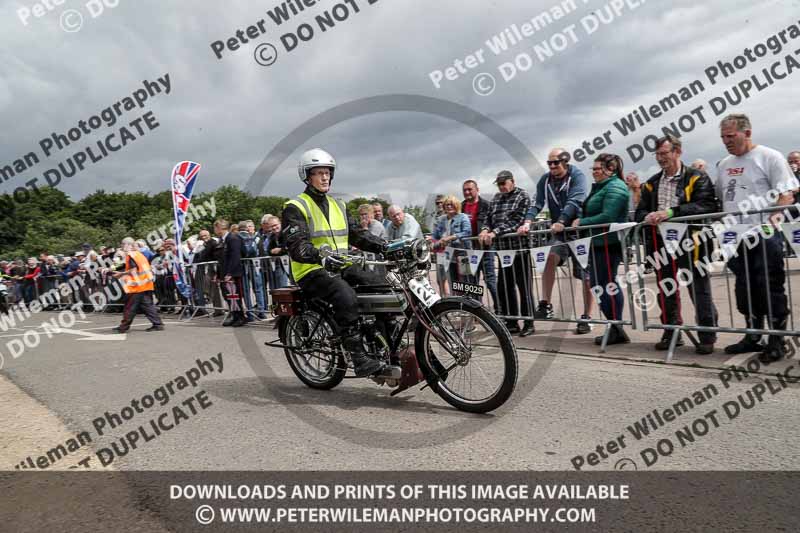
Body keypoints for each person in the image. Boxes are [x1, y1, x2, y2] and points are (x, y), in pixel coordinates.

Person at [282, 148, 389, 377]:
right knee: (345, 295)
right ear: (307, 176)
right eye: (319, 172)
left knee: (381, 285)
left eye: (328, 172)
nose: (324, 177)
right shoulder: (296, 206)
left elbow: (358, 235)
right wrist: (320, 255)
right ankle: (359, 358)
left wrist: (386, 247)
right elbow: (297, 245)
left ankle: (385, 343)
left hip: (339, 266)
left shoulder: (338, 205)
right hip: (311, 270)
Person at [716, 114, 799, 362]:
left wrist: (774, 218)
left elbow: (787, 194)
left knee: (768, 284)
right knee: (744, 286)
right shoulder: (723, 164)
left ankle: (777, 339)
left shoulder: (769, 156)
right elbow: (723, 198)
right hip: (735, 237)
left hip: (764, 234)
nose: (726, 141)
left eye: (731, 136)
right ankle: (752, 334)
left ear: (747, 133)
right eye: (723, 137)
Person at [635, 134, 720, 354]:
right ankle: (671, 331)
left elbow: (707, 205)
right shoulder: (652, 183)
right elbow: (639, 211)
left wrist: (672, 212)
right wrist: (648, 216)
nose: (661, 158)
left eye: (665, 153)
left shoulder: (697, 177)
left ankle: (707, 334)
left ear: (677, 151)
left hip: (693, 242)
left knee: (698, 288)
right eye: (657, 154)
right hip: (660, 243)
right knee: (666, 288)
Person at [518, 148, 593, 334]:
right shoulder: (546, 180)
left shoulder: (577, 176)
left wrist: (561, 220)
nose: (552, 166)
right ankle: (546, 304)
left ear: (565, 162)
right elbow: (537, 203)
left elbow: (575, 201)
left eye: (555, 163)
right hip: (559, 233)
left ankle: (586, 317)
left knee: (585, 275)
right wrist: (527, 222)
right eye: (549, 163)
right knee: (550, 257)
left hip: (578, 230)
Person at [572, 154, 631, 346]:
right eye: (593, 169)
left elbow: (608, 215)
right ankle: (615, 326)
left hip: (609, 243)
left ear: (610, 169)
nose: (594, 172)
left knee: (605, 283)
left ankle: (616, 327)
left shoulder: (616, 187)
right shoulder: (602, 187)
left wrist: (582, 222)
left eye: (597, 169)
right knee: (599, 283)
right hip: (598, 243)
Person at [479, 170, 534, 336]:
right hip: (503, 251)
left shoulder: (522, 196)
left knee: (524, 288)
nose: (501, 187)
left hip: (519, 250)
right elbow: (488, 217)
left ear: (512, 181)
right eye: (499, 184)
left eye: (504, 183)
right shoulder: (496, 198)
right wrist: (484, 229)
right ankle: (512, 322)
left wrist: (494, 232)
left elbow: (516, 221)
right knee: (504, 287)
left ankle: (528, 323)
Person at [111, 237, 163, 333]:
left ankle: (123, 327)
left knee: (129, 307)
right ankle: (158, 324)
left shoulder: (131, 255)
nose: (122, 247)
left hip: (136, 285)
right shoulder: (139, 254)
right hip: (145, 283)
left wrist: (120, 274)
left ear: (128, 245)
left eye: (123, 245)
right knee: (147, 306)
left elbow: (133, 270)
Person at [462, 179, 498, 310]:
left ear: (477, 189)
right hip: (467, 251)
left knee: (490, 281)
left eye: (469, 189)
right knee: (471, 283)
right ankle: (478, 310)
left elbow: (493, 224)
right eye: (464, 190)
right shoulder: (460, 207)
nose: (467, 192)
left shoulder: (486, 205)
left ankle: (500, 308)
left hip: (485, 249)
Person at [430, 195, 472, 286]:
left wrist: (452, 237)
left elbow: (467, 232)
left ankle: (472, 300)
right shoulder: (442, 219)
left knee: (466, 282)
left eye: (451, 204)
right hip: (449, 255)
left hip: (462, 254)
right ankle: (457, 300)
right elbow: (435, 235)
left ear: (456, 205)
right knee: (454, 283)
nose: (449, 206)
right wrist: (433, 242)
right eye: (447, 205)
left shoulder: (463, 217)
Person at [215, 219, 246, 327]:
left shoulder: (232, 238)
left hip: (232, 273)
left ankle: (240, 317)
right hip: (225, 273)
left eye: (215, 227)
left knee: (235, 296)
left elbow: (235, 257)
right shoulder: (223, 240)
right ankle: (234, 315)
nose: (215, 230)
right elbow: (221, 259)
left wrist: (230, 273)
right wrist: (219, 274)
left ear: (220, 227)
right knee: (229, 296)